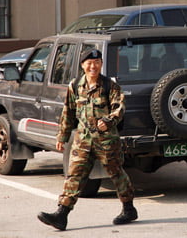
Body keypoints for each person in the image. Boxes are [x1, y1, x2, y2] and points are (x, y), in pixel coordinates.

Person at [38, 49, 137, 231]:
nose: (93, 66)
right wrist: (63, 136)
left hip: (106, 140)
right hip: (83, 139)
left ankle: (128, 208)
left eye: (97, 62)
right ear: (83, 65)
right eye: (89, 63)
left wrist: (109, 120)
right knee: (75, 174)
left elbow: (119, 108)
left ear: (101, 63)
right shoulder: (75, 85)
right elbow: (67, 112)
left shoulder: (109, 86)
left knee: (116, 173)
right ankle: (62, 213)